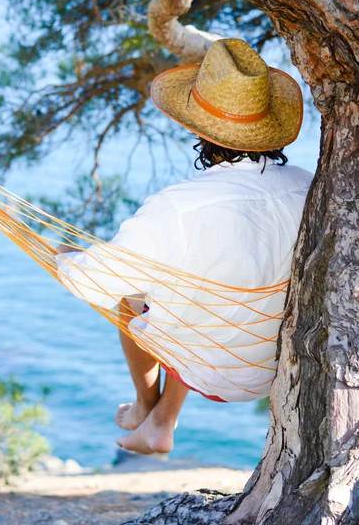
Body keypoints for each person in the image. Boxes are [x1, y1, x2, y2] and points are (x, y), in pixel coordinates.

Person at [56, 38, 313, 455]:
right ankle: (161, 421)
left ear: (198, 129)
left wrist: (63, 256)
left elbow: (95, 284)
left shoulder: (177, 207)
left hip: (219, 371)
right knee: (196, 289)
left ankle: (146, 408)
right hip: (285, 361)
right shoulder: (308, 184)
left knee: (136, 299)